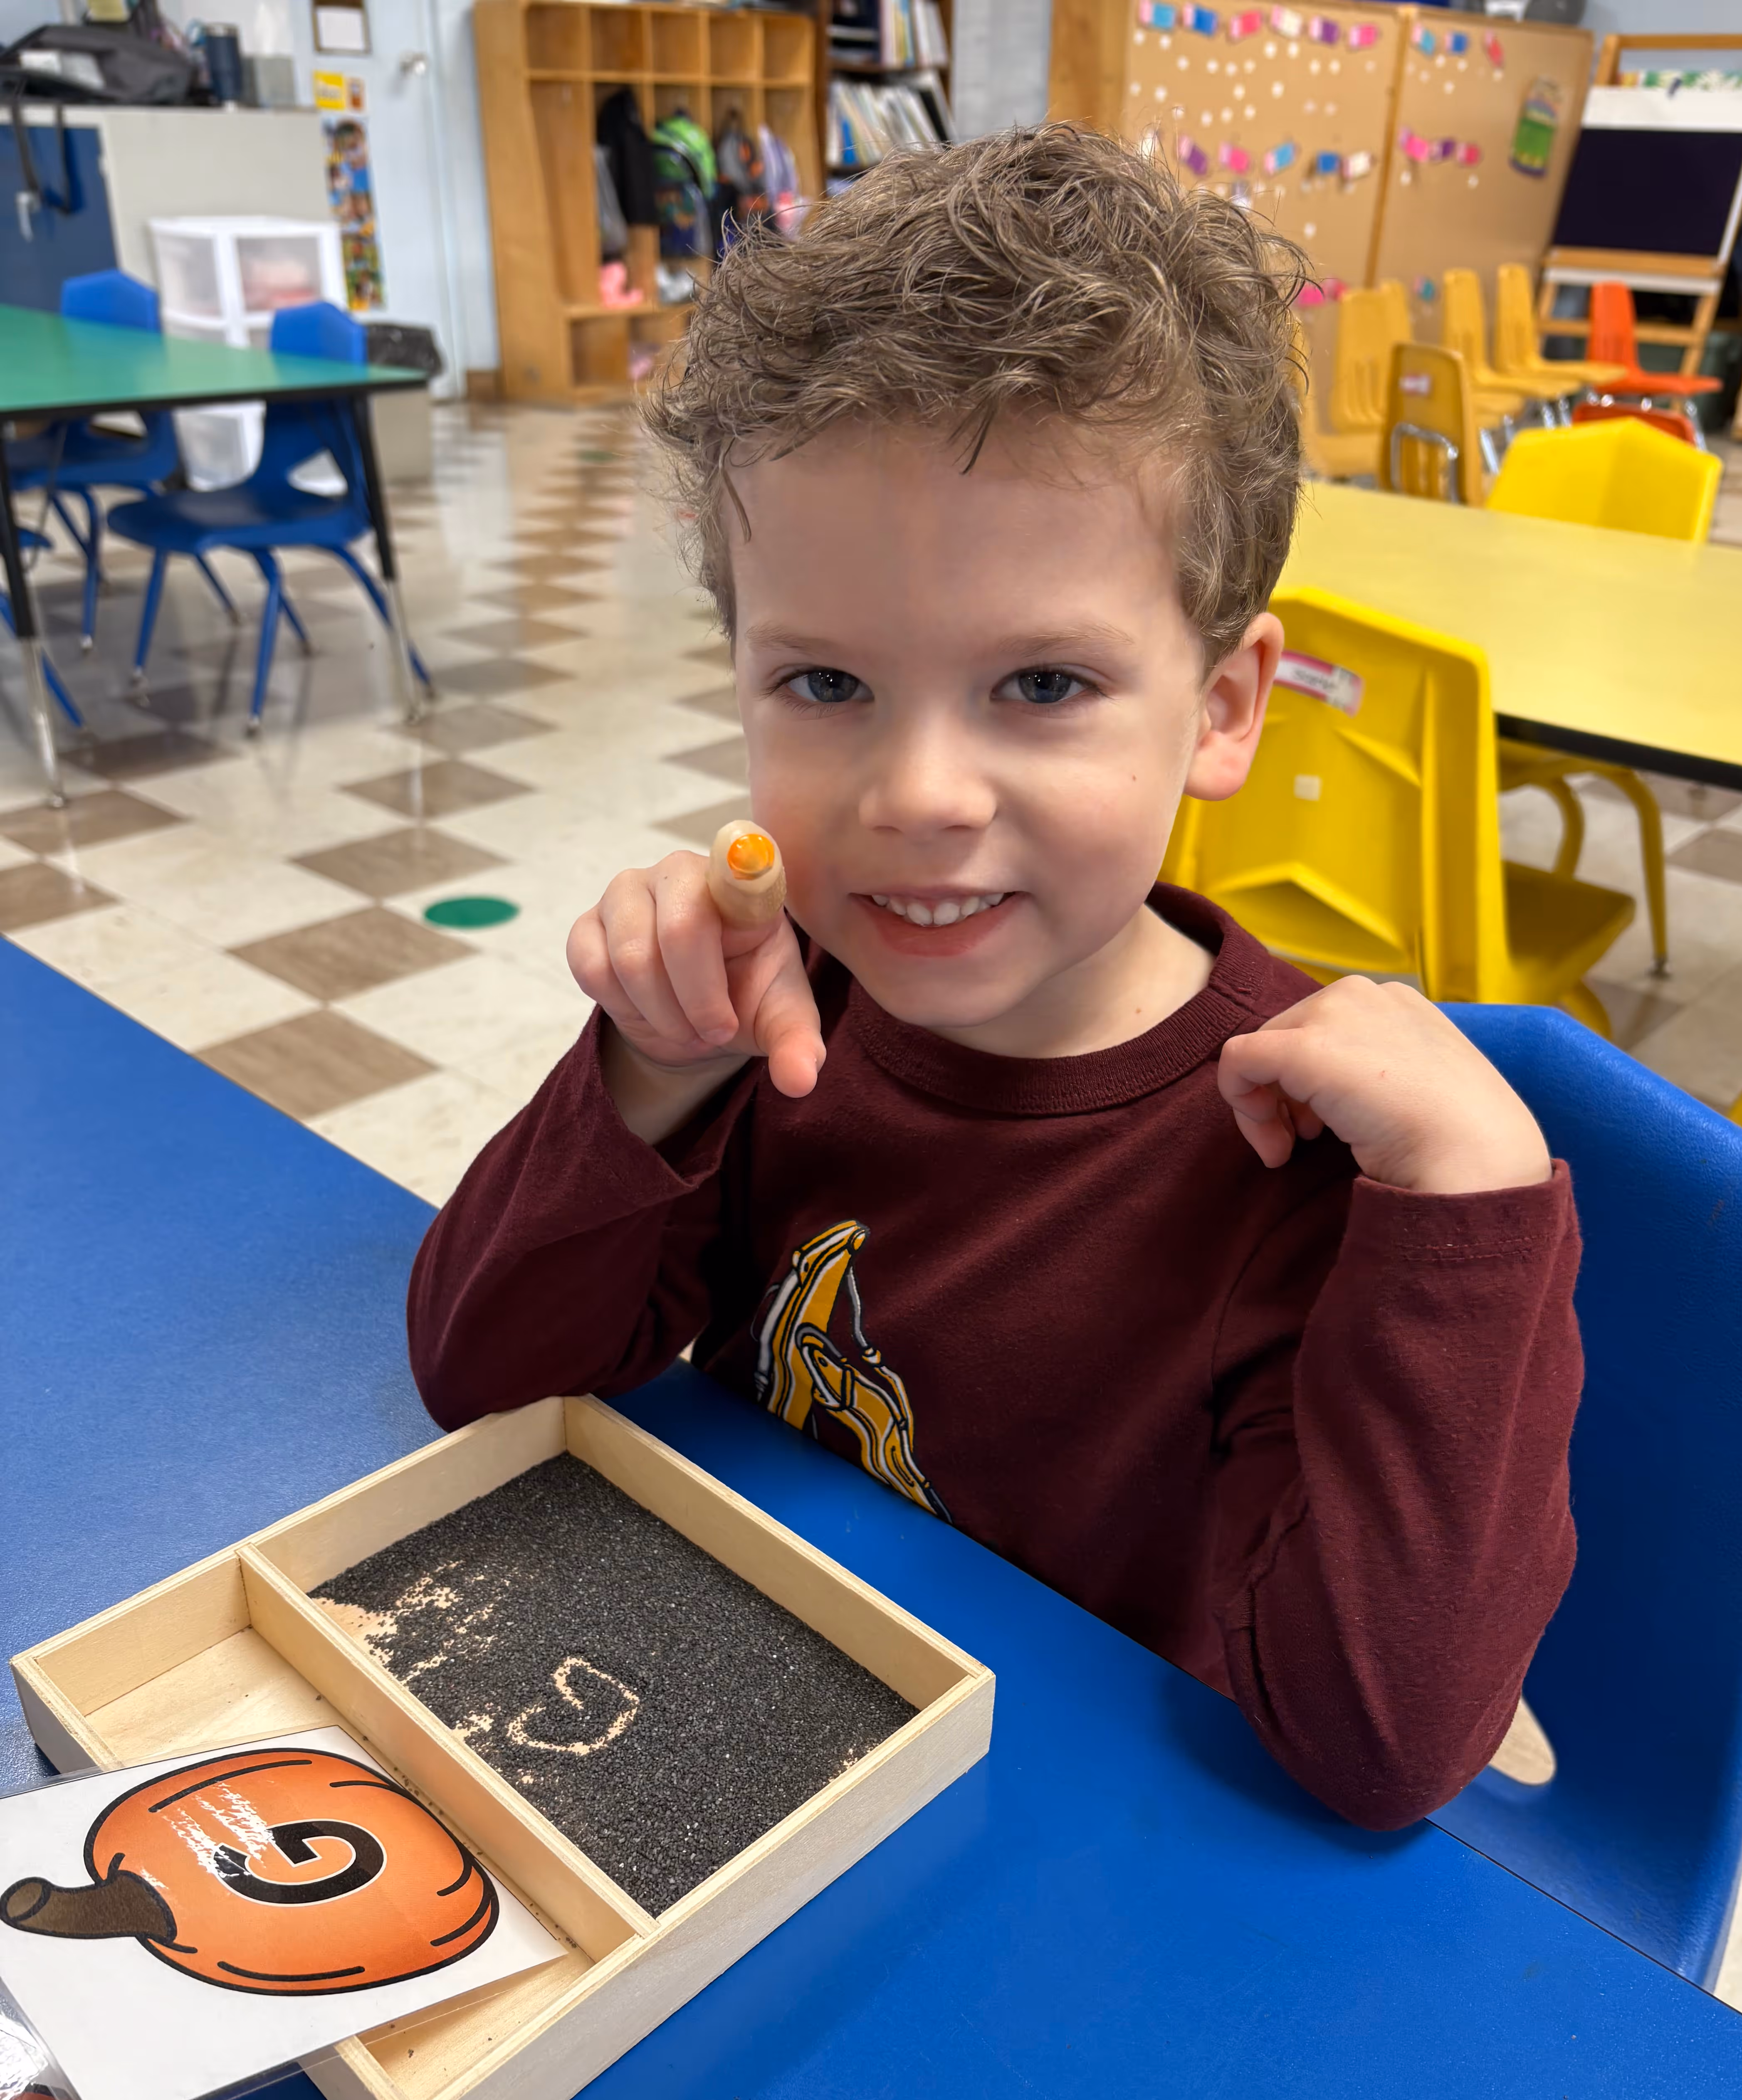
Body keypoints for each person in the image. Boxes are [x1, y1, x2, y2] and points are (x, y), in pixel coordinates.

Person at [409, 126, 1581, 1831]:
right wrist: (648, 1072)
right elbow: (483, 1382)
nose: (917, 798)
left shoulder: (1298, 1161)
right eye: (823, 683)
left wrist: (1473, 1204)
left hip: (1073, 1868)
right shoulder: (778, 1002)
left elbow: (1384, 1747)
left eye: (1040, 682)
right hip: (731, 1758)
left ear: (1227, 708)